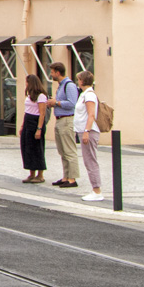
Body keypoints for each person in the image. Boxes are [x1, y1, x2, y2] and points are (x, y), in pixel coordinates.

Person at [45, 62, 81, 189]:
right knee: (62, 150)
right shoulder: (61, 86)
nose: (51, 74)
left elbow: (72, 103)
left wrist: (57, 103)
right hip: (60, 119)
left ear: (58, 72)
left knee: (69, 150)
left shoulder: (69, 85)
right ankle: (66, 176)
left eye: (52, 72)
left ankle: (72, 178)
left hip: (67, 120)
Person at [74, 70, 104, 202]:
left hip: (89, 131)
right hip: (84, 130)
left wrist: (86, 131)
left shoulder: (89, 95)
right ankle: (95, 189)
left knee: (90, 160)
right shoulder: (84, 94)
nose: (77, 81)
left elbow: (91, 115)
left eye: (78, 79)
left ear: (82, 80)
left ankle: (97, 190)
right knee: (88, 160)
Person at [20, 73, 49, 184]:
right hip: (28, 121)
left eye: (27, 82)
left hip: (36, 121)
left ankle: (40, 174)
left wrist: (39, 129)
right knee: (27, 148)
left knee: (37, 148)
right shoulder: (28, 96)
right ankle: (31, 172)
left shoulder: (41, 96)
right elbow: (26, 111)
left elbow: (42, 114)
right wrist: (23, 125)